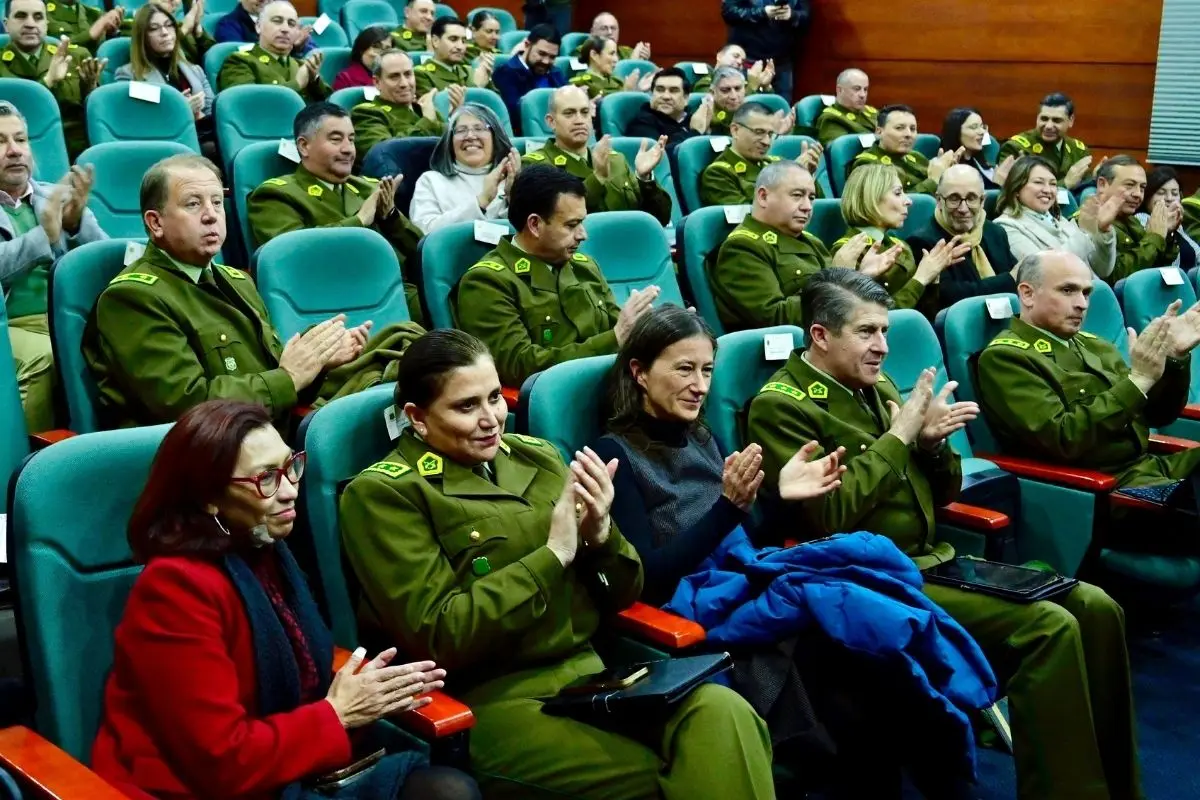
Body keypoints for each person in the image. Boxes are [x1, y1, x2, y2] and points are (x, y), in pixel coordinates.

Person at [747, 267, 1143, 800]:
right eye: (867, 332)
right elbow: (829, 518)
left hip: (935, 559)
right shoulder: (783, 406)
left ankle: (1120, 785)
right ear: (821, 335)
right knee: (1049, 627)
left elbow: (943, 495)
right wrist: (900, 436)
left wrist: (931, 446)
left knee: (1097, 607)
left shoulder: (873, 384)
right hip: (872, 581)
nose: (883, 347)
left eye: (885, 331)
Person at [338, 328, 776, 799]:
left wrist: (601, 536)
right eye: (467, 407)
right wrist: (553, 556)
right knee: (678, 773)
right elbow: (440, 634)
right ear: (418, 418)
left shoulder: (537, 456)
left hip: (593, 675)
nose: (491, 419)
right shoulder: (386, 494)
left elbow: (626, 589)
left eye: (493, 398)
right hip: (495, 698)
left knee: (725, 713)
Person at [592, 305, 999, 799]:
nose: (699, 385)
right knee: (860, 692)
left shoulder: (703, 437)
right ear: (639, 371)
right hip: (700, 627)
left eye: (706, 370)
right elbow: (649, 577)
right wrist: (730, 507)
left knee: (885, 670)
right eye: (683, 369)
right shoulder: (614, 455)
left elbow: (749, 542)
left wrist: (780, 499)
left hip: (752, 592)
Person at [92, 399, 481, 800]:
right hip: (207, 786)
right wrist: (337, 714)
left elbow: (305, 671)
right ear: (209, 498)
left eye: (290, 466)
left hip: (286, 765)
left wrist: (370, 695)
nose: (290, 490)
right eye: (266, 479)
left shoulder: (263, 547)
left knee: (448, 791)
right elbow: (220, 761)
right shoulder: (175, 590)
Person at [84, 154, 374, 429]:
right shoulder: (132, 298)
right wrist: (288, 377)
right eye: (193, 204)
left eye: (217, 203)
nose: (211, 216)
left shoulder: (238, 280)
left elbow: (273, 378)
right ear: (155, 223)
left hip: (267, 442)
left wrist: (317, 361)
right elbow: (190, 406)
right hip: (203, 462)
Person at [978, 249, 1200, 493]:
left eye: (1086, 293)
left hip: (1149, 467)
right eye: (1067, 290)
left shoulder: (1094, 344)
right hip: (1106, 489)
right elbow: (1064, 439)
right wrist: (1138, 381)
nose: (1082, 304)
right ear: (1028, 294)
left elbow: (1157, 415)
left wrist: (1174, 359)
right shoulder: (1006, 358)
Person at [453, 164, 659, 387]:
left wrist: (667, 333)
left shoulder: (585, 266)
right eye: (572, 225)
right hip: (561, 405)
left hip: (615, 386)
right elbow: (517, 366)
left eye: (582, 222)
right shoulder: (488, 282)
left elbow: (622, 327)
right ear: (535, 225)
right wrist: (614, 339)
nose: (583, 235)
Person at [248, 103, 424, 323]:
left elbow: (422, 254)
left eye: (351, 139)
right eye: (335, 139)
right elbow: (293, 260)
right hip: (323, 306)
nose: (349, 149)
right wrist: (360, 220)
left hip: (392, 297)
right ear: (304, 146)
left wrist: (390, 217)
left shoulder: (369, 188)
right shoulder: (274, 195)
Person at [0, 101, 106, 433]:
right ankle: (25, 463)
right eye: (1, 142)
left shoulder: (55, 196)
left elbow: (103, 263)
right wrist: (42, 236)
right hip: (12, 325)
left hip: (67, 317)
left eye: (21, 139)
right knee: (45, 355)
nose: (15, 151)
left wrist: (75, 226)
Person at [707, 160, 897, 331]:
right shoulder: (742, 247)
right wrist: (839, 280)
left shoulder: (811, 240)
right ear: (763, 197)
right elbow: (777, 318)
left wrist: (859, 276)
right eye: (797, 195)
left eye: (811, 197)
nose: (807, 206)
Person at [831, 163, 969, 318]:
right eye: (898, 193)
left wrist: (932, 275)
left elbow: (925, 315)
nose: (908, 200)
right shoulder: (848, 253)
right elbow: (874, 321)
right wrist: (920, 279)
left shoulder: (899, 245)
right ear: (872, 198)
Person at [523, 85, 672, 224]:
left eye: (585, 112)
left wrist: (645, 179)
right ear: (551, 122)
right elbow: (556, 218)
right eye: (569, 113)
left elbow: (660, 219)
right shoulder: (536, 166)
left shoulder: (616, 160)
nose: (579, 120)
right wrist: (597, 177)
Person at [905, 164, 1019, 309]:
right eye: (954, 198)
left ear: (982, 201)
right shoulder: (923, 242)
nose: (963, 209)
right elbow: (950, 297)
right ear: (939, 200)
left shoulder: (995, 232)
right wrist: (1009, 280)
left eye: (971, 198)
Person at [0, 0, 103, 159]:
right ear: (6, 24)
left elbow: (94, 119)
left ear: (46, 24)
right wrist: (48, 81)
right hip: (15, 153)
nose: (30, 23)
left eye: (38, 17)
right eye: (21, 16)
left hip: (75, 153)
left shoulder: (76, 56)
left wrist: (89, 88)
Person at [993, 155, 1117, 281]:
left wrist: (1103, 230)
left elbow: (1103, 270)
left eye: (1052, 184)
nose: (1048, 190)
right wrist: (1084, 232)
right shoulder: (1005, 227)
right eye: (1038, 182)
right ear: (1017, 188)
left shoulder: (1060, 220)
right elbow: (1044, 273)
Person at [117, 3, 215, 153]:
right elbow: (137, 124)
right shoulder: (129, 76)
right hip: (165, 145)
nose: (164, 32)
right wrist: (180, 110)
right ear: (142, 37)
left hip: (204, 137)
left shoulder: (195, 70)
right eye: (154, 28)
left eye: (169, 25)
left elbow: (212, 112)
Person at [409, 103, 519, 233]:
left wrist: (513, 196)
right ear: (450, 141)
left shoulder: (512, 180)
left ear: (495, 137)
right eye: (461, 130)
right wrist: (482, 200)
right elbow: (425, 232)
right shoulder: (431, 181)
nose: (470, 136)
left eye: (479, 129)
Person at [699, 101, 821, 207]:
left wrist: (806, 176)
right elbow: (750, 218)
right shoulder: (718, 174)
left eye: (770, 134)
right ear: (735, 130)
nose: (766, 142)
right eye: (759, 132)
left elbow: (819, 206)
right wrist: (792, 178)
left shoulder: (777, 163)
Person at [350, 49, 458, 170]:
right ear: (377, 82)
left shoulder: (422, 108)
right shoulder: (367, 113)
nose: (404, 83)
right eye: (394, 77)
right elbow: (384, 155)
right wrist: (427, 121)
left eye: (408, 74)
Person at [216, 0, 329, 101]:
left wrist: (314, 79)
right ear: (258, 26)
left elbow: (331, 105)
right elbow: (246, 105)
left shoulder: (302, 65)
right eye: (277, 21)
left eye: (291, 24)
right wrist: (297, 84)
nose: (285, 29)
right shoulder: (239, 62)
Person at [1095, 154, 1180, 281]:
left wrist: (1166, 235)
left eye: (1142, 187)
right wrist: (1155, 238)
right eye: (1129, 185)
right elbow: (1114, 277)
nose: (1138, 194)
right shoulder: (1088, 221)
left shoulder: (1132, 221)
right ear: (1102, 185)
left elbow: (1157, 268)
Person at [848, 104, 959, 195]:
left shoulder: (916, 156)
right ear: (879, 131)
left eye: (913, 129)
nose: (908, 134)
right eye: (899, 128)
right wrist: (934, 180)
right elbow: (893, 206)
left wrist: (946, 173)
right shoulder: (867, 164)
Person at [997, 93, 1092, 189]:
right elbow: (1013, 192)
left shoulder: (1078, 151)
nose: (1048, 126)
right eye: (1044, 119)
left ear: (1071, 121)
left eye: (1056, 120)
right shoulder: (1016, 148)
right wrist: (1065, 184)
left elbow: (1084, 190)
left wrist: (1094, 179)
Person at [720, 0, 808, 101]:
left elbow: (806, 16)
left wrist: (793, 15)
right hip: (747, 60)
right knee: (742, 108)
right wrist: (762, 12)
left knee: (781, 110)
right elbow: (729, 12)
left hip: (782, 62)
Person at [491, 23, 566, 130]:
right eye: (541, 54)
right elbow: (515, 116)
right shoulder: (506, 73)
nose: (546, 61)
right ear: (526, 45)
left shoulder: (556, 73)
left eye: (552, 57)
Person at [625, 67, 706, 150]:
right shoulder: (641, 123)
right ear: (652, 94)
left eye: (673, 91)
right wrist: (695, 132)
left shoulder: (694, 118)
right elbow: (660, 156)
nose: (666, 96)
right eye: (660, 90)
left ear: (686, 98)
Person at [1137, 166, 1200, 271]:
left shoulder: (1177, 225)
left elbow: (1197, 254)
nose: (1169, 198)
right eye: (1161, 193)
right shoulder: (1141, 220)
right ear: (1147, 197)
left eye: (1174, 193)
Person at [414, 16, 495, 94]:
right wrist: (476, 87)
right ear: (435, 41)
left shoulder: (468, 71)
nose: (460, 47)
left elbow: (496, 103)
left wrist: (487, 77)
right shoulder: (422, 75)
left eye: (463, 41)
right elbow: (437, 107)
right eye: (453, 39)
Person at [939, 107, 1012, 190]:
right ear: (956, 132)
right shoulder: (946, 167)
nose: (982, 132)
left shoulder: (982, 161)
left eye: (982, 126)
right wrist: (997, 184)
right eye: (974, 127)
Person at [215, 0, 314, 55]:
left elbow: (314, 53)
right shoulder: (228, 25)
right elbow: (238, 57)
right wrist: (289, 48)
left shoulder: (288, 21)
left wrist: (299, 49)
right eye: (277, 21)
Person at [814, 68, 875, 146]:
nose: (862, 95)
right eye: (857, 89)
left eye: (865, 89)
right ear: (839, 90)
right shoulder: (831, 118)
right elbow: (842, 150)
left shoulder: (871, 111)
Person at [569, 34, 639, 100]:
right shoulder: (580, 84)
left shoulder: (618, 81)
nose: (616, 59)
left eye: (616, 54)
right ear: (594, 55)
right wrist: (626, 91)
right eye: (611, 54)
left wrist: (639, 89)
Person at [691, 44, 772, 94]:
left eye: (743, 61)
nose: (740, 62)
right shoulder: (707, 81)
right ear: (719, 56)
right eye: (735, 56)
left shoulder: (744, 83)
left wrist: (766, 87)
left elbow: (770, 107)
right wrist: (752, 86)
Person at [44, 0, 121, 52]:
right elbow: (55, 48)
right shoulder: (40, 11)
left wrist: (110, 32)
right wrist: (90, 34)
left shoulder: (92, 12)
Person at [333, 24, 391, 90]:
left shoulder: (396, 76)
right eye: (376, 47)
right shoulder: (345, 79)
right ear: (362, 50)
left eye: (387, 49)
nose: (382, 53)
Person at [582, 11, 646, 60]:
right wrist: (632, 63)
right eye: (604, 28)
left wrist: (643, 59)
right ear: (592, 32)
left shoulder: (628, 52)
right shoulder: (583, 53)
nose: (610, 32)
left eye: (613, 28)